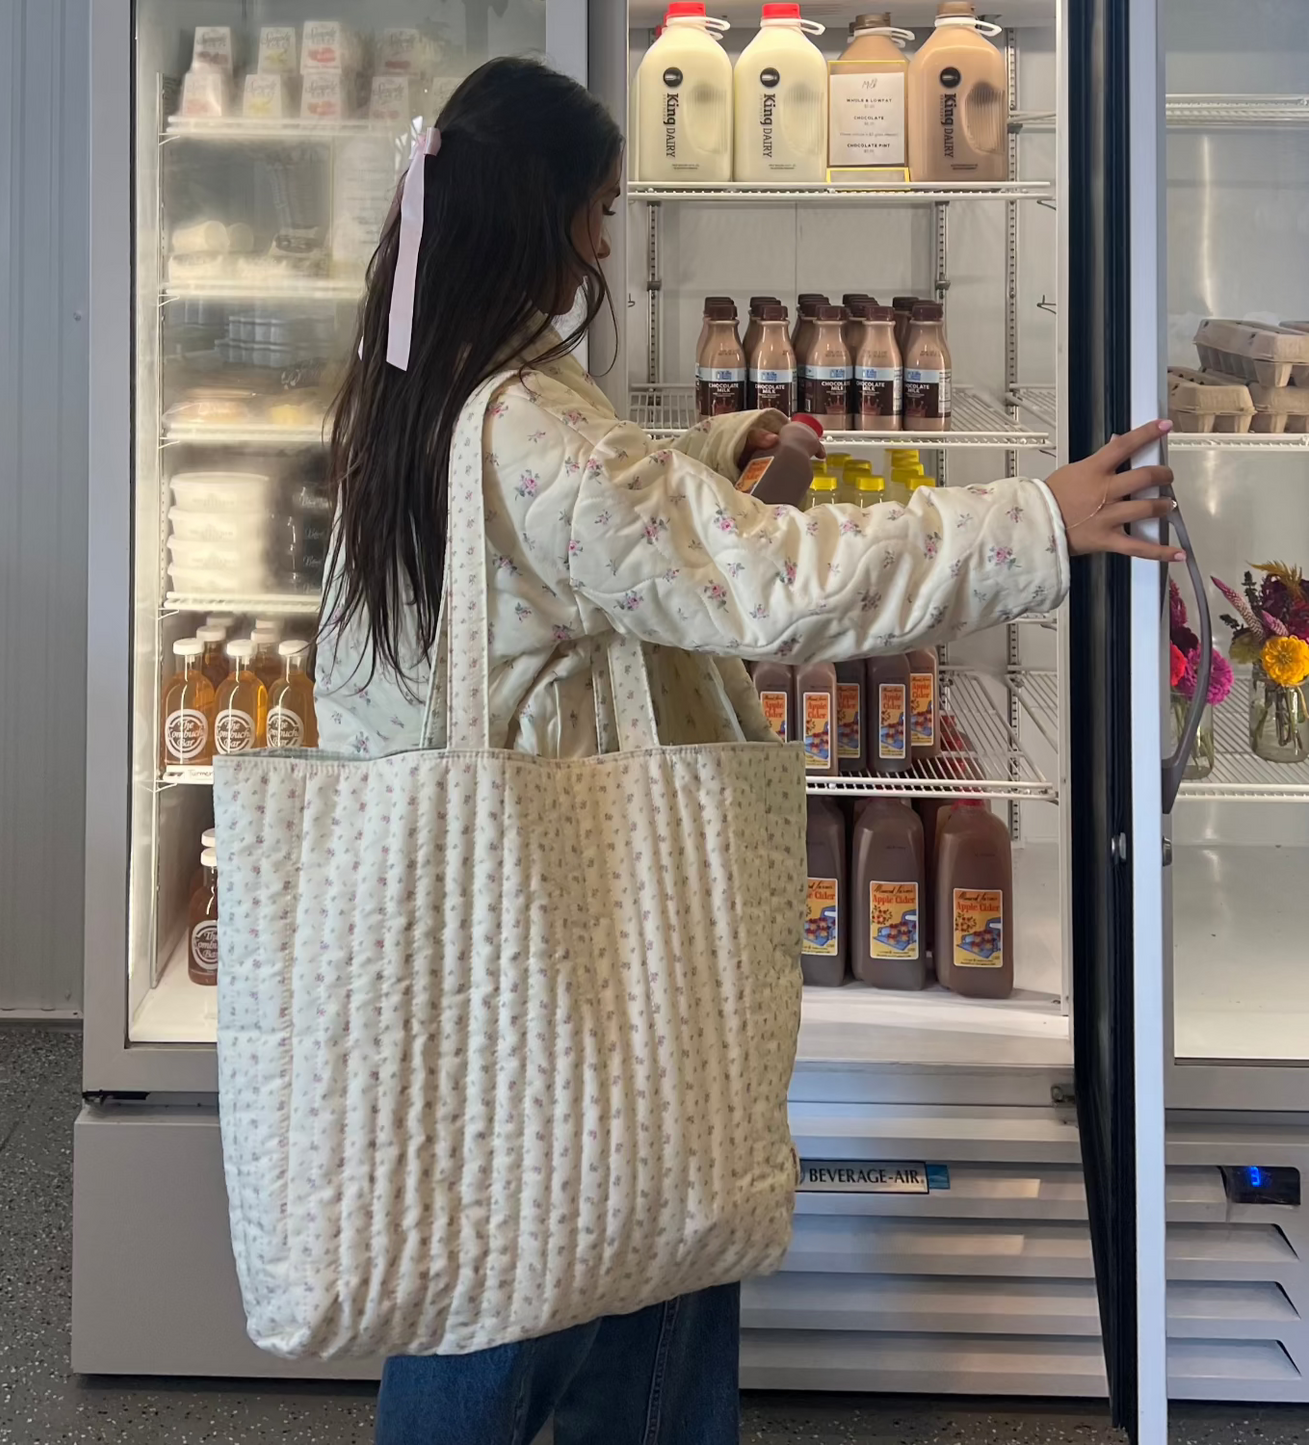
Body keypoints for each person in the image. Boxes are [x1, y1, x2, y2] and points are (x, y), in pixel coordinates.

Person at [315, 55, 1180, 1445]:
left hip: (480, 919)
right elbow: (772, 584)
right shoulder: (529, 423)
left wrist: (715, 451)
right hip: (566, 927)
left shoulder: (428, 381)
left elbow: (590, 531)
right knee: (566, 1254)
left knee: (556, 1236)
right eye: (597, 212)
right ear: (542, 215)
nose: (607, 242)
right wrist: (1037, 519)